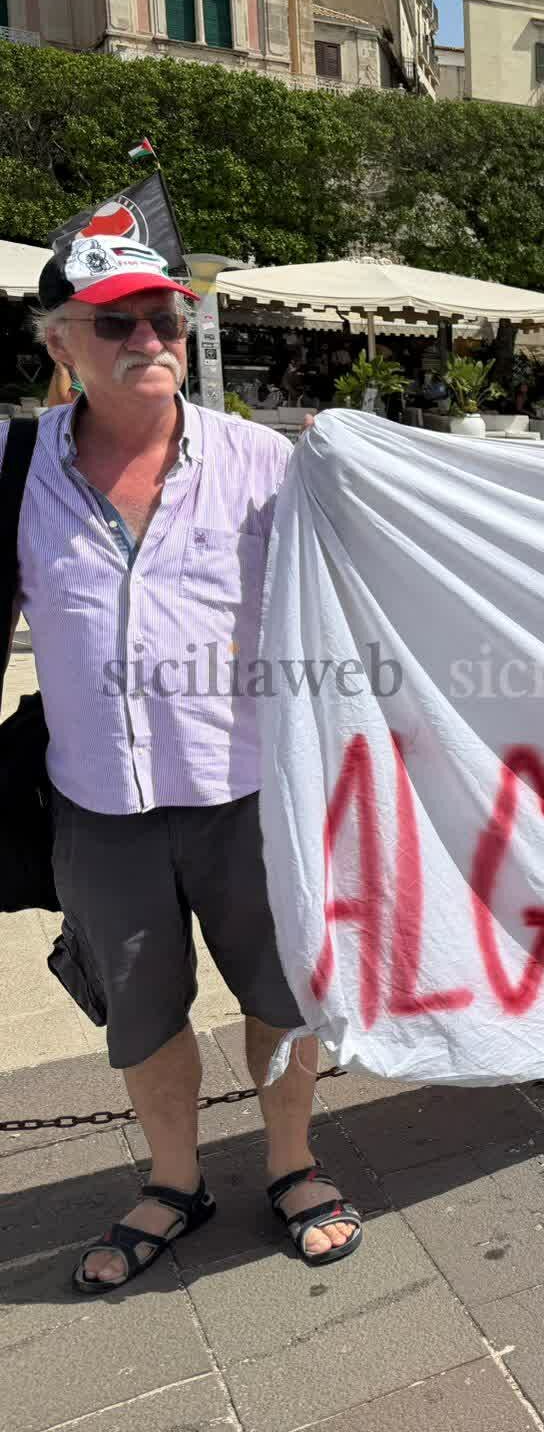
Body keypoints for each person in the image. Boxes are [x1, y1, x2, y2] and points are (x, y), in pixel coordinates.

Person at [10, 236, 363, 1291]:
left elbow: (354, 594)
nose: (148, 340)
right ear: (59, 343)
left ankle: (292, 1165)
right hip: (96, 806)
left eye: (162, 318)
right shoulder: (13, 468)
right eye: (115, 323)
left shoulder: (267, 463)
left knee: (279, 994)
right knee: (140, 1011)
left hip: (248, 795)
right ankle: (173, 1182)